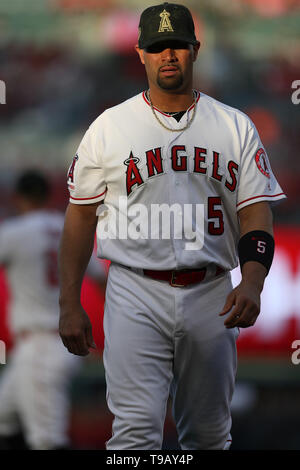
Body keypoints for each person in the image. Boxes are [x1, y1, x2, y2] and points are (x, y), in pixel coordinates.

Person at [58, 2, 286, 450]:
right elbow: (80, 215)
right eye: (158, 47)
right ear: (141, 54)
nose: (168, 55)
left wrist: (254, 281)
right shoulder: (108, 127)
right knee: (135, 434)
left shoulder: (235, 126)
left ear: (195, 50)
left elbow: (256, 211)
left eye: (177, 46)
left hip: (211, 292)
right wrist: (68, 302)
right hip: (134, 290)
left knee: (209, 436)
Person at [0, 170, 106, 450]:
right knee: (4, 418)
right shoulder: (67, 228)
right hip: (63, 343)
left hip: (39, 345)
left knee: (48, 442)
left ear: (18, 197)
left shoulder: (13, 232)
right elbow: (101, 280)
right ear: (47, 195)